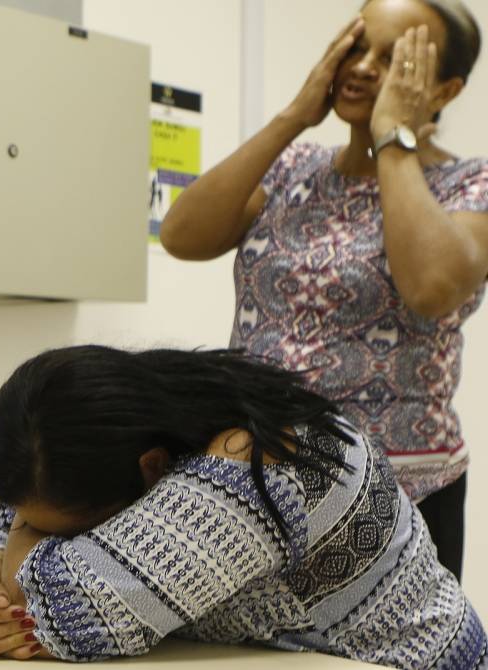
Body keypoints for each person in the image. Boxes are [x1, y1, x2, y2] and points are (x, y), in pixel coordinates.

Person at [158, 0, 488, 581]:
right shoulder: (295, 167)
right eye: (356, 46)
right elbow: (183, 235)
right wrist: (292, 116)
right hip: (258, 475)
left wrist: (393, 140)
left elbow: (433, 287)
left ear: (444, 90)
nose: (362, 67)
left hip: (399, 494)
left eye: (394, 59)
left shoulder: (469, 184)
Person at [0, 345, 485, 666]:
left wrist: (14, 570)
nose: (27, 528)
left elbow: (73, 604)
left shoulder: (256, 461)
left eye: (52, 531)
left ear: (151, 467)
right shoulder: (143, 425)